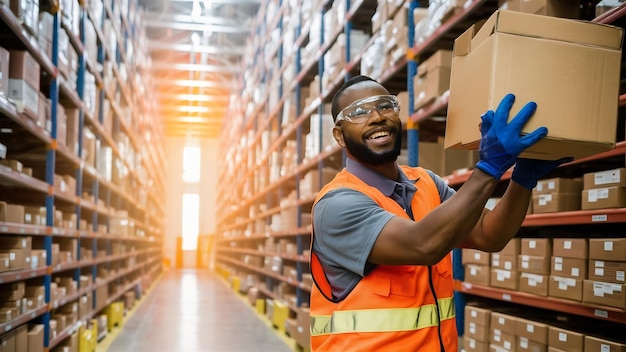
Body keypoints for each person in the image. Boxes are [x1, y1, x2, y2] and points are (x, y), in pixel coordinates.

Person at [309, 75, 572, 351]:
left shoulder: (426, 182)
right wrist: (490, 167)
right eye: (359, 112)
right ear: (339, 135)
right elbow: (423, 245)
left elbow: (489, 234)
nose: (376, 117)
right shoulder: (336, 203)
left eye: (385, 106)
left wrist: (521, 179)